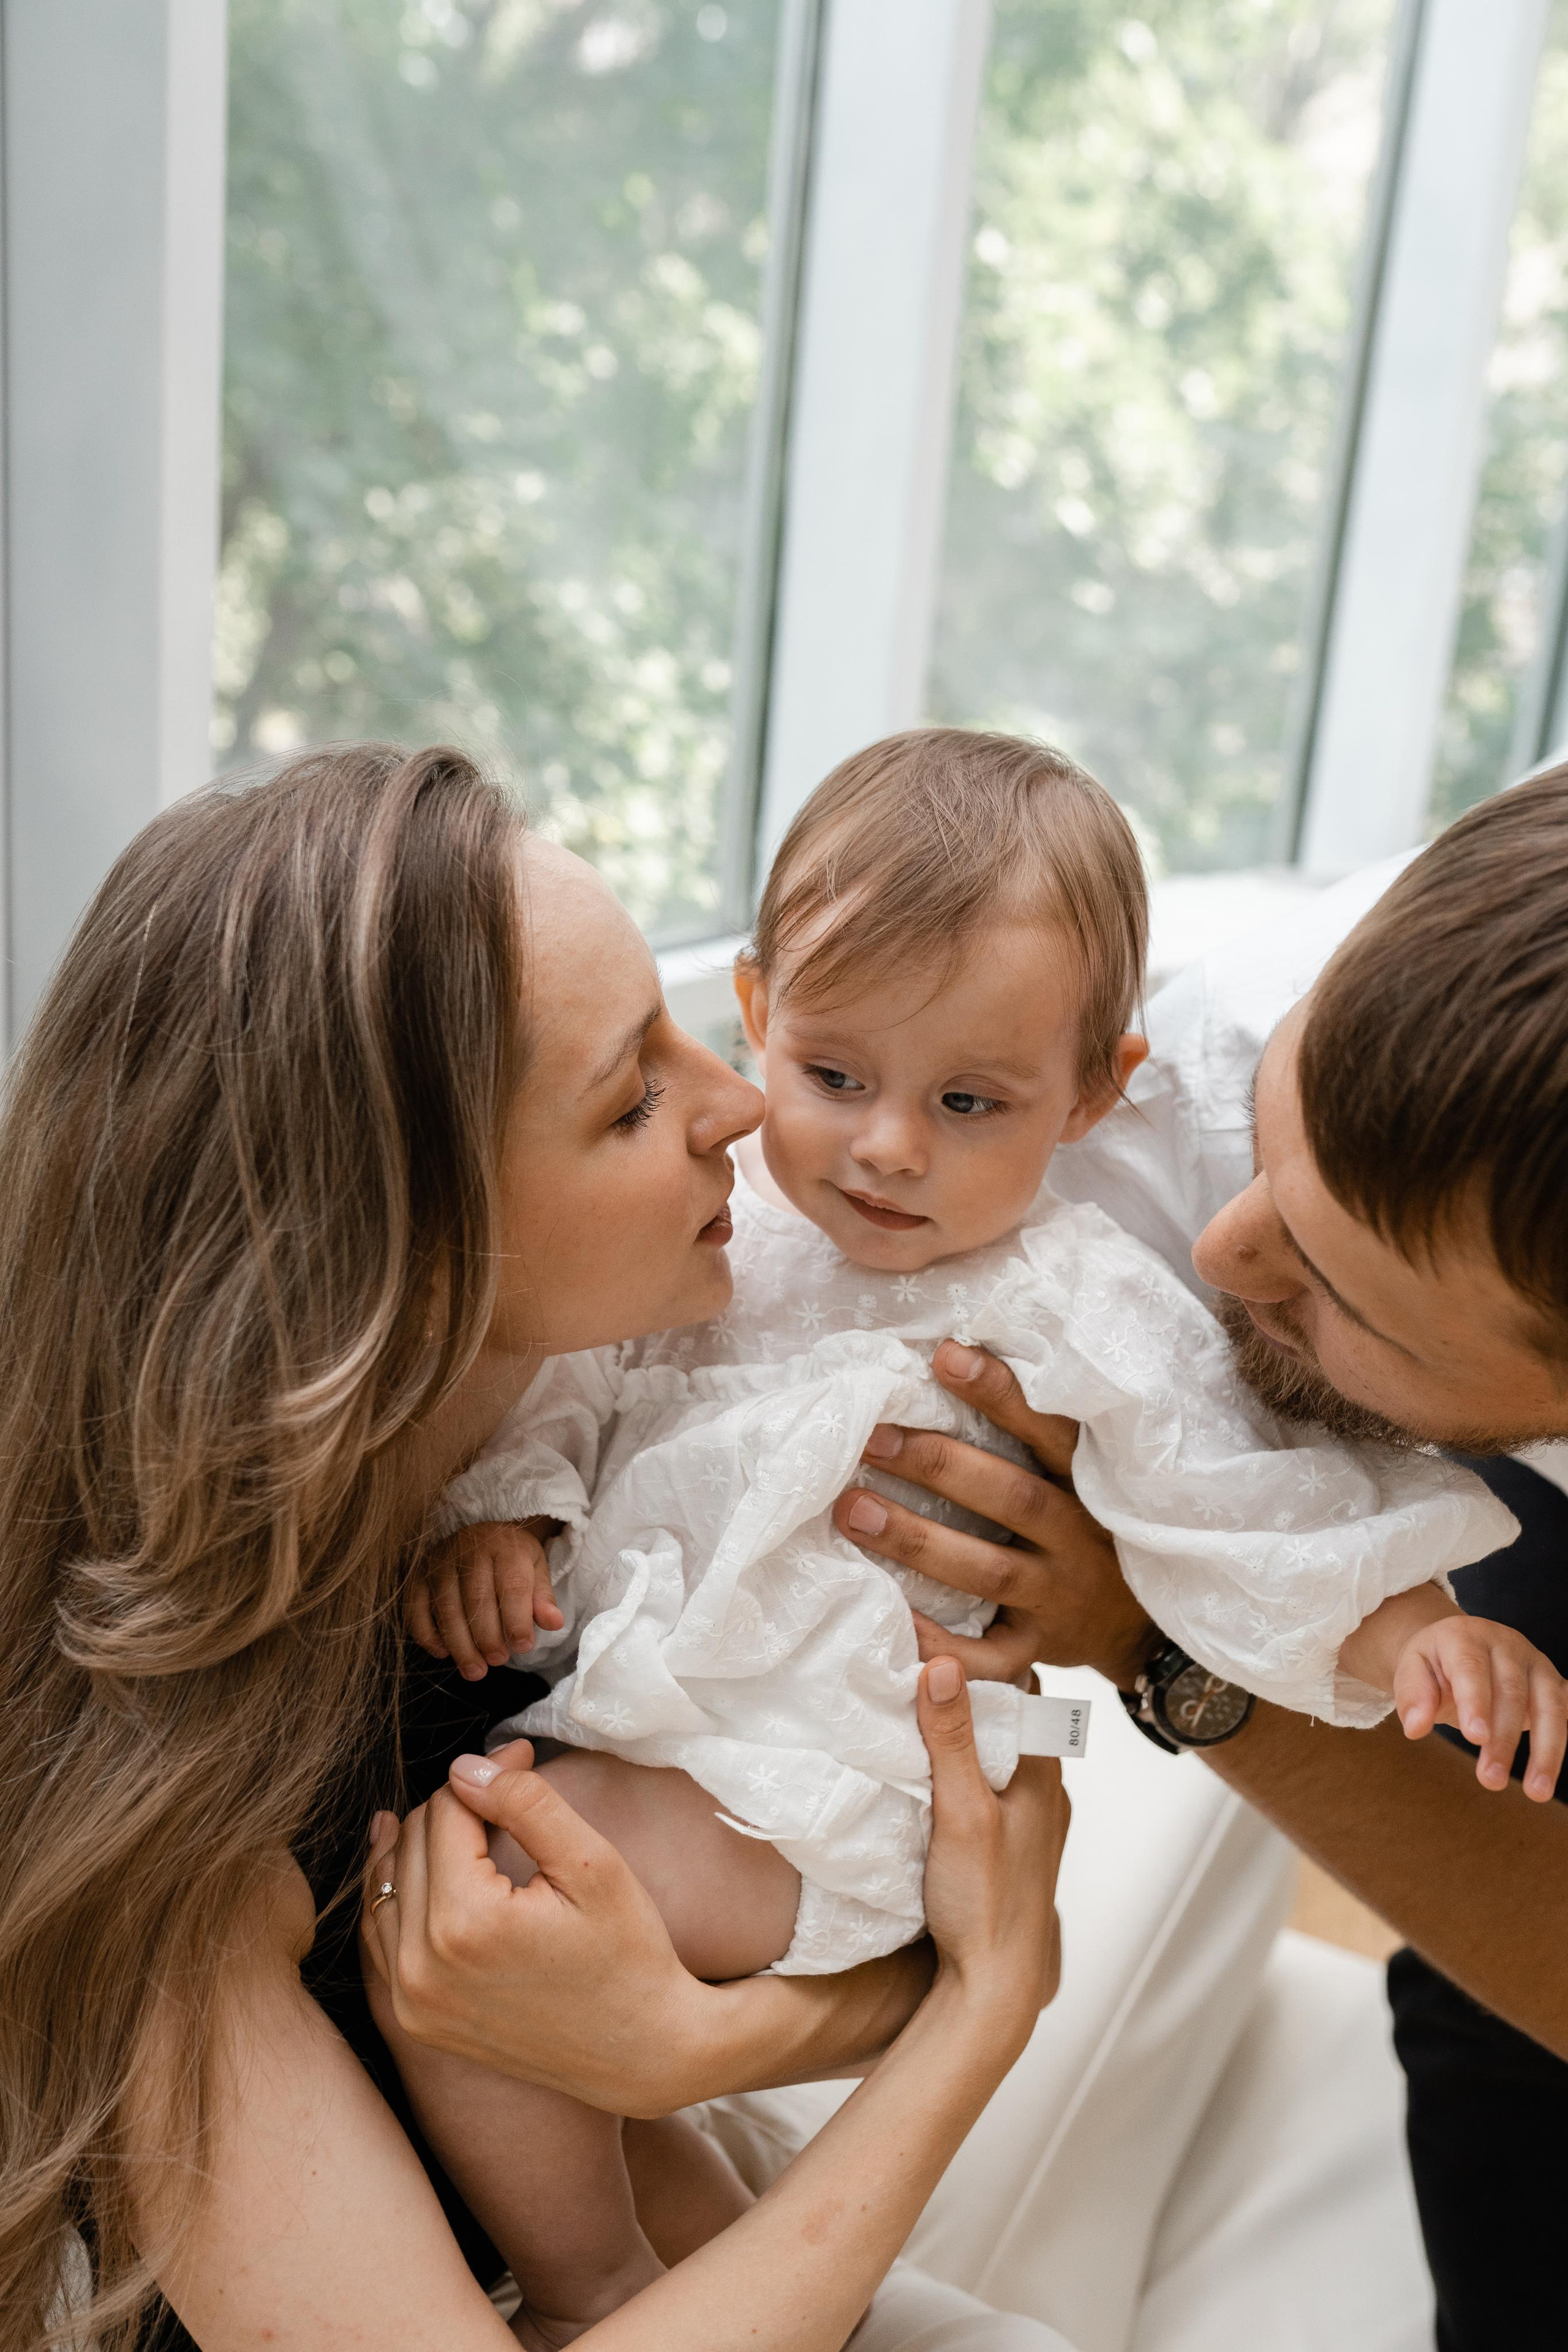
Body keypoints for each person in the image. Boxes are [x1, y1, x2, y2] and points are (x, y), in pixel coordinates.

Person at [397, 728, 1555, 2343]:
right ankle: (680, 2241)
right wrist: (501, 1512)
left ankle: (595, 2288)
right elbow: (586, 1378)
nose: (886, 1148)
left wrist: (1407, 1632)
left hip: (834, 1777)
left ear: (1093, 1091)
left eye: (963, 1101)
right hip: (653, 1711)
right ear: (761, 1022)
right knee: (488, 1904)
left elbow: (1242, 1506)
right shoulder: (764, 1200)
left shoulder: (1081, 1296)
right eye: (833, 1078)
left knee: (484, 1893)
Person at [0, 742, 1072, 2352]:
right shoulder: (171, 1842)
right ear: (396, 1252)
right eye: (631, 1096)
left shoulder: (630, 1443)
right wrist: (976, 2026)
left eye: (683, 1028)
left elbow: (941, 1895)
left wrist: (683, 2049)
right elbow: (983, 1963)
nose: (734, 1105)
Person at [810, 763, 1568, 2351]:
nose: (1224, 1252)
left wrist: (1154, 1640)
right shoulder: (1408, 959)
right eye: (1264, 1136)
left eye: (1340, 1296)